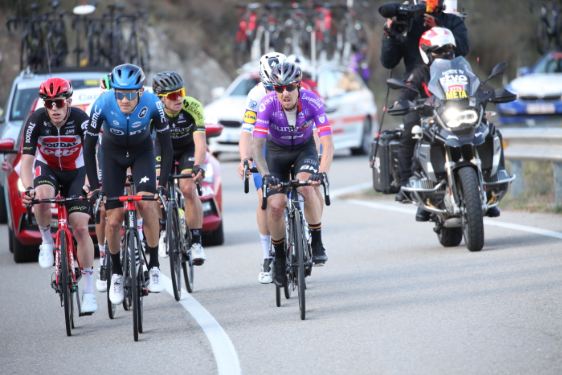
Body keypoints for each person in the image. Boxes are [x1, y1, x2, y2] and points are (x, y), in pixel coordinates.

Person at [83, 63, 173, 304]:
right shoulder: (103, 103)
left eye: (130, 94)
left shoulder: (153, 103)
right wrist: (94, 187)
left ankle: (153, 265)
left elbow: (166, 145)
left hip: (142, 152)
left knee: (147, 204)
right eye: (119, 94)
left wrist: (162, 184)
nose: (124, 100)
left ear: (140, 91)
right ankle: (115, 273)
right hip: (111, 154)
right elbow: (88, 147)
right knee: (113, 218)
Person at [393, 27, 501, 220]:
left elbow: (477, 84)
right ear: (426, 53)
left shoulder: (463, 69)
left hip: (463, 114)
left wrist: (493, 93)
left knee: (491, 130)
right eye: (439, 51)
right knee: (411, 127)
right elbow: (406, 91)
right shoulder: (420, 72)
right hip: (434, 118)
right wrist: (405, 102)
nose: (445, 54)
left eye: (448, 50)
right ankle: (408, 184)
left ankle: (490, 186)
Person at [252, 60, 334, 286]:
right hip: (276, 153)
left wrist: (322, 172)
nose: (284, 93)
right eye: (279, 88)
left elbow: (327, 144)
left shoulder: (312, 101)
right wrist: (265, 173)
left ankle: (316, 241)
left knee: (307, 187)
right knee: (276, 205)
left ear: (299, 86)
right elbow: (257, 147)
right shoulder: (267, 104)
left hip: (303, 150)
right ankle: (278, 258)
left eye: (289, 87)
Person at [20, 77, 97, 313]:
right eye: (49, 103)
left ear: (69, 101)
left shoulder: (81, 120)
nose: (54, 108)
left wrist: (88, 185)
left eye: (59, 102)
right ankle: (45, 241)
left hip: (77, 171)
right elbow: (26, 161)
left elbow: (93, 158)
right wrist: (28, 189)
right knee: (41, 198)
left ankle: (89, 291)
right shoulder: (35, 121)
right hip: (49, 169)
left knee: (81, 228)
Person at [238, 51, 286, 284]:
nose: (277, 92)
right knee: (264, 199)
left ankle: (304, 228)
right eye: (271, 87)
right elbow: (247, 131)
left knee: (302, 185)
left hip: (289, 140)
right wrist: (244, 158)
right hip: (265, 144)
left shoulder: (296, 88)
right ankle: (268, 254)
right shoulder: (255, 94)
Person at [152, 71, 207, 265]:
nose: (179, 98)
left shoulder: (192, 106)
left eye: (181, 92)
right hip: (161, 149)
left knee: (188, 188)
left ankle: (196, 242)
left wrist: (198, 165)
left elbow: (200, 142)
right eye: (173, 95)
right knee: (157, 189)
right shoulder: (153, 110)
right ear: (161, 98)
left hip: (187, 149)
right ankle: (164, 229)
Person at [380, 0, 469, 74]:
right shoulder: (408, 23)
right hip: (415, 86)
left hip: (447, 83)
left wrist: (439, 28)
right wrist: (390, 34)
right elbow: (388, 63)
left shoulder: (452, 20)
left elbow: (463, 49)